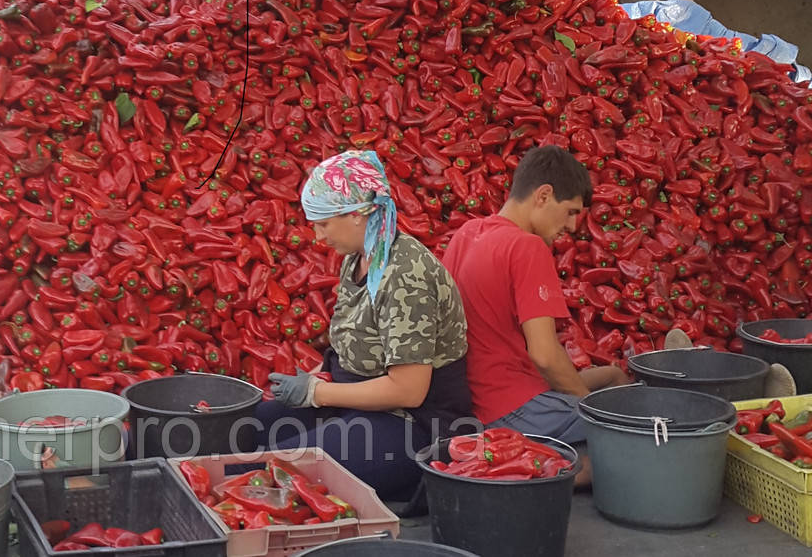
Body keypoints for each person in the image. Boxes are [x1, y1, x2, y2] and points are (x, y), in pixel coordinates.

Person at [259, 150, 472, 502]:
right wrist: (311, 381)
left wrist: (316, 393)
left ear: (359, 213)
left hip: (412, 426)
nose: (317, 236)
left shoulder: (405, 274)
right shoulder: (358, 258)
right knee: (249, 431)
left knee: (272, 469)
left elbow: (408, 390)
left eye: (323, 223)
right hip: (358, 403)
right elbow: (351, 342)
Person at [440, 145, 627, 487]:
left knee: (614, 376)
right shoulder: (527, 247)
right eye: (570, 212)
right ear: (543, 195)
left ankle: (533, 460)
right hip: (516, 409)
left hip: (473, 404)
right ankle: (551, 472)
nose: (571, 226)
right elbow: (544, 356)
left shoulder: (467, 233)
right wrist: (591, 409)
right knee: (634, 433)